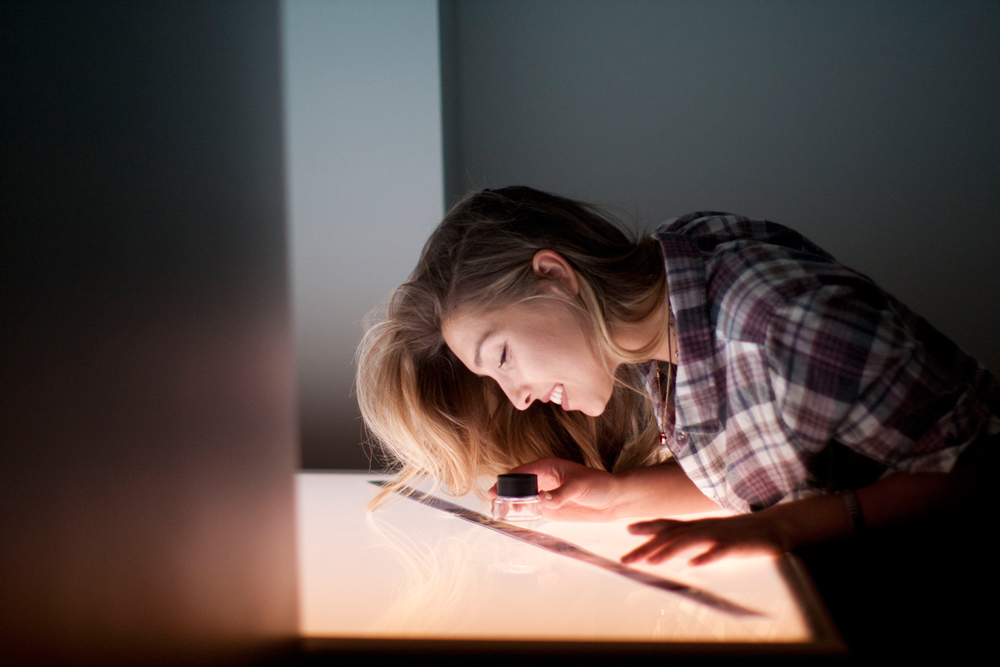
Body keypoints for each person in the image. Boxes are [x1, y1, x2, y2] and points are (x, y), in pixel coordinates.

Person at [356, 186, 997, 566]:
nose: (518, 398)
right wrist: (616, 495)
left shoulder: (781, 325)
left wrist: (786, 528)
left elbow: (982, 470)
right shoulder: (671, 298)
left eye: (502, 358)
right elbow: (765, 462)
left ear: (554, 276)